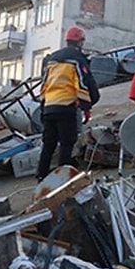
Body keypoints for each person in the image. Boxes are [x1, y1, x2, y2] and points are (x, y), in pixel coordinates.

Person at [35, 26, 101, 180]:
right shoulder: (77, 59)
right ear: (80, 42)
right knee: (66, 143)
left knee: (48, 144)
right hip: (66, 107)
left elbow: (44, 84)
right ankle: (62, 180)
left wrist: (43, 106)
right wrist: (88, 105)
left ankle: (41, 175)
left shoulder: (52, 60)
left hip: (49, 107)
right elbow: (84, 83)